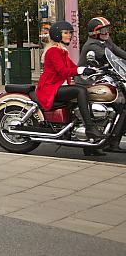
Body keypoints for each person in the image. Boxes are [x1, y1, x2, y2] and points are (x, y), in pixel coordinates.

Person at [36, 21, 105, 156]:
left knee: (88, 91)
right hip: (49, 89)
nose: (69, 35)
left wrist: (95, 69)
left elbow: (73, 68)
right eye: (66, 33)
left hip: (58, 87)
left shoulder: (62, 51)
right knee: (80, 90)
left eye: (70, 33)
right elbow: (62, 71)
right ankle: (90, 129)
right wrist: (81, 70)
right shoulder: (53, 51)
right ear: (57, 35)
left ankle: (89, 145)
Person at [79, 17, 126, 152]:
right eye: (103, 30)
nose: (107, 32)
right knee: (119, 105)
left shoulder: (107, 41)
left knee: (121, 106)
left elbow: (119, 53)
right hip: (88, 81)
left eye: (108, 29)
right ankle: (107, 141)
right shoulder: (92, 45)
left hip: (101, 78)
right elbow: (109, 59)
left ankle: (111, 141)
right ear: (94, 32)